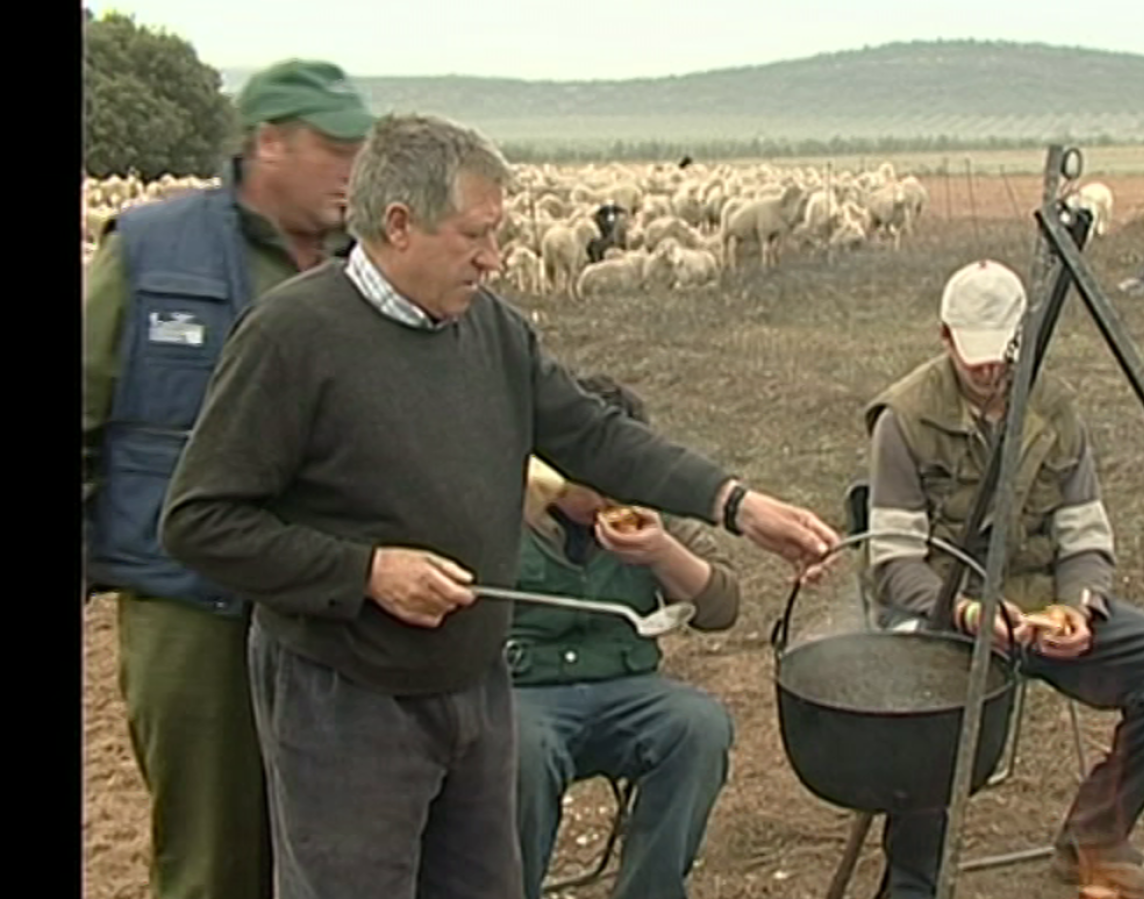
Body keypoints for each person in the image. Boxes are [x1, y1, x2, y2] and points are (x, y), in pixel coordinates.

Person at [157, 111, 838, 899]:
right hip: (346, 699)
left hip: (475, 688)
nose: (496, 256)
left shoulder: (494, 331)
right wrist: (367, 571)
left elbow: (596, 436)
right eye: (476, 235)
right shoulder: (291, 337)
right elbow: (200, 521)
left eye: (500, 232)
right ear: (400, 225)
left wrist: (735, 503)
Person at [81, 59, 375, 899]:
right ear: (268, 142)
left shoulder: (369, 267)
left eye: (359, 150)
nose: (351, 169)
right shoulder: (151, 249)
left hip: (334, 601)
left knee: (337, 846)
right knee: (211, 853)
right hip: (191, 603)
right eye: (332, 148)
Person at [861, 259, 1144, 899]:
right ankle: (915, 882)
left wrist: (1078, 606)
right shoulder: (904, 419)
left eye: (1000, 356)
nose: (988, 371)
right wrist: (968, 613)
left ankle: (1095, 840)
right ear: (944, 337)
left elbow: (1084, 535)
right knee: (926, 706)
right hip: (946, 616)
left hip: (1039, 608)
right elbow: (894, 563)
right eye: (973, 356)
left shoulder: (1054, 408)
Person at [509, 374, 739, 899]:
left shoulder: (647, 509)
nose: (610, 495)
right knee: (519, 752)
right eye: (595, 481)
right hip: (524, 691)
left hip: (625, 685)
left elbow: (722, 608)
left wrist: (662, 553)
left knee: (698, 726)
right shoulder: (503, 508)